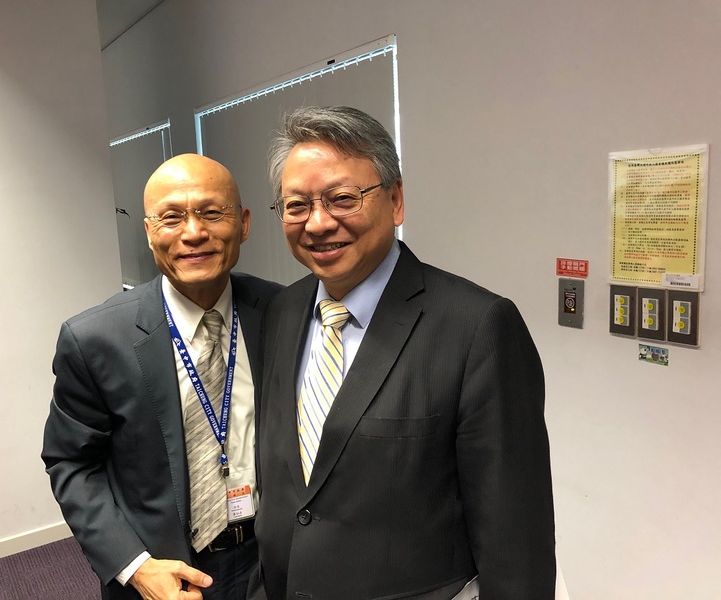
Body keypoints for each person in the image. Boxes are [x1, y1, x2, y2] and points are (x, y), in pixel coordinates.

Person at [253, 107, 556, 599]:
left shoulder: (477, 327)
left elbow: (516, 538)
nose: (318, 223)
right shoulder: (283, 311)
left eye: (342, 199)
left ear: (395, 201)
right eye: (296, 205)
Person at [42, 154, 282, 600]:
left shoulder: (282, 312)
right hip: (163, 575)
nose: (193, 233)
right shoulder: (94, 339)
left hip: (270, 564)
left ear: (245, 223)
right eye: (171, 217)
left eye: (212, 212)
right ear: (150, 231)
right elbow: (70, 463)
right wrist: (135, 567)